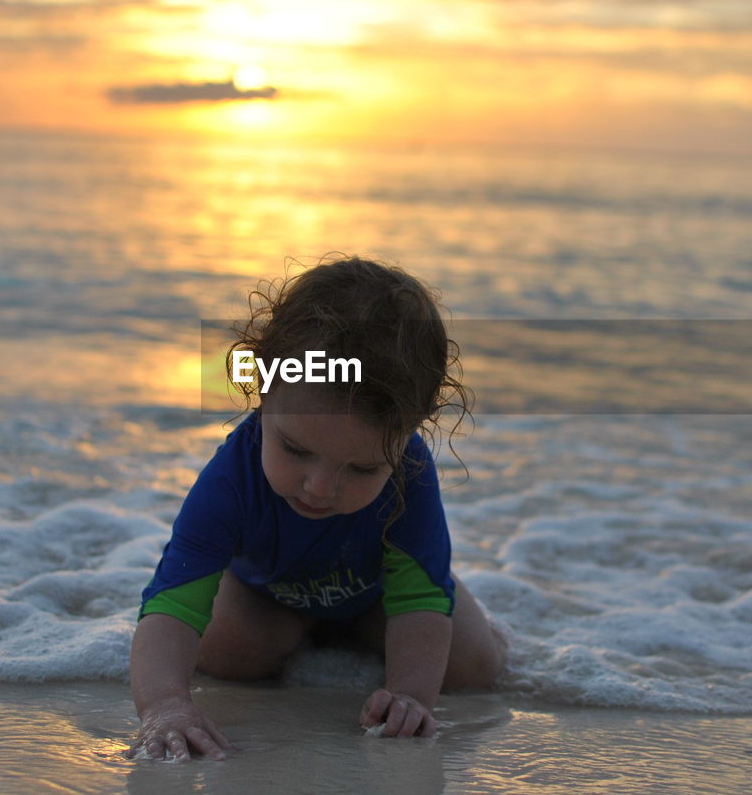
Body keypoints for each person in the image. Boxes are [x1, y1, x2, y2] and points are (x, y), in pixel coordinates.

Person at [128, 255, 507, 762]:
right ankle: (299, 635)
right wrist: (165, 705)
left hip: (376, 596)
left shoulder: (408, 474)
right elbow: (173, 605)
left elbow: (418, 599)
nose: (320, 486)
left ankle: (418, 636)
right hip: (266, 596)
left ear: (408, 432)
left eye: (362, 469)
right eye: (296, 450)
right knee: (230, 655)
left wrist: (411, 697)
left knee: (473, 668)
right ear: (263, 388)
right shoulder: (231, 479)